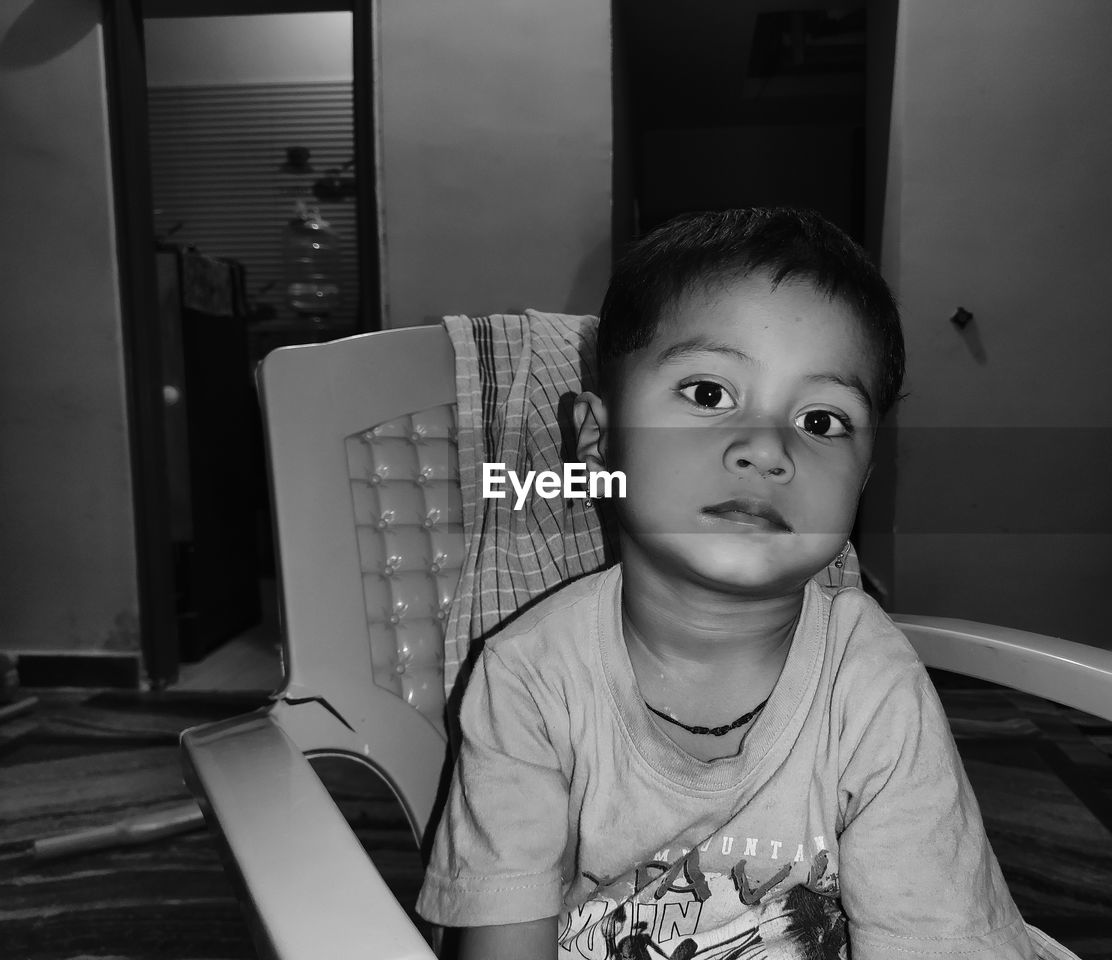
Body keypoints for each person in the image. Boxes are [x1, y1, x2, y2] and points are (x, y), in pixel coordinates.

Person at [417, 208, 1067, 959]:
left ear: (864, 477)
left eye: (822, 421)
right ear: (598, 443)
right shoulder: (529, 679)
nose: (767, 448)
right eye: (707, 394)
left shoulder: (872, 681)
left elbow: (935, 936)